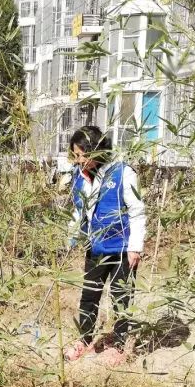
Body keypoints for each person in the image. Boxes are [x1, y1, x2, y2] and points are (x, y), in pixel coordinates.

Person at [64, 126, 147, 367]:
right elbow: (80, 210)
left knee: (121, 298)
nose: (79, 160)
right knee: (89, 296)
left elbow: (137, 211)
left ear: (96, 151)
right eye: (76, 155)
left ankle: (118, 345)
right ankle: (84, 340)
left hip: (121, 249)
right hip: (95, 248)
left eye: (82, 154)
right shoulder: (80, 177)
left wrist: (135, 247)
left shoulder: (123, 173)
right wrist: (73, 234)